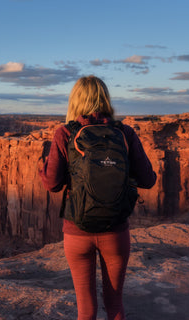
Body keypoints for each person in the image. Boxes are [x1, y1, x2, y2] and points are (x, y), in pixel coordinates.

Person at [38, 75, 156, 320]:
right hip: (115, 231)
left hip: (77, 232)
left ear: (75, 101)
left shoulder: (65, 133)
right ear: (105, 98)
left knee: (86, 309)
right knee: (114, 305)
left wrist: (42, 165)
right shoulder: (124, 132)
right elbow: (148, 180)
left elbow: (52, 185)